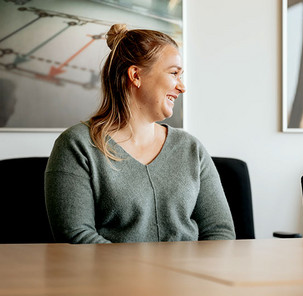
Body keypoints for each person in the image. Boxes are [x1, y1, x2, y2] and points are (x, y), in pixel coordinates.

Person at [45, 24, 236, 243]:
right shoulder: (76, 145)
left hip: (188, 276)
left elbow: (220, 232)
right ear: (136, 75)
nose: (182, 87)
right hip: (112, 277)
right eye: (174, 73)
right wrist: (143, 275)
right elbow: (77, 237)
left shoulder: (191, 148)